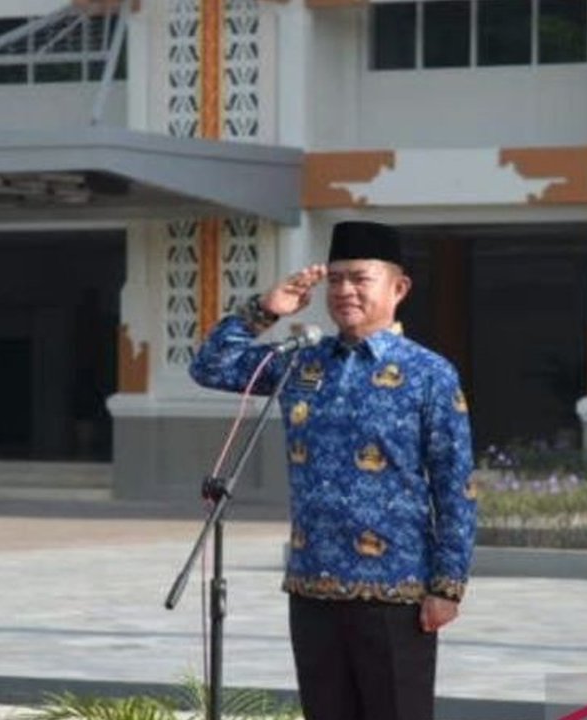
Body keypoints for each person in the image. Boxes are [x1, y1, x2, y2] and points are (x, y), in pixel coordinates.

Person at [188, 220, 477, 720]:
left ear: (398, 287)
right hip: (313, 585)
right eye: (336, 279)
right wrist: (264, 310)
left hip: (397, 592)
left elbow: (455, 485)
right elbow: (211, 366)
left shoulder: (429, 373)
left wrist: (446, 586)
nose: (345, 291)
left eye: (360, 279)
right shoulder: (301, 364)